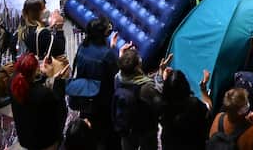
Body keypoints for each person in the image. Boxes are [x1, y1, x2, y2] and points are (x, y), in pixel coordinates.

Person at [72, 18, 121, 147]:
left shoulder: (82, 47)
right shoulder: (108, 55)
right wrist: (117, 54)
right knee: (106, 137)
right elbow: (117, 76)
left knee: (89, 134)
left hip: (84, 100)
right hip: (102, 103)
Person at [10, 52, 69, 150]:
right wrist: (58, 81)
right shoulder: (43, 94)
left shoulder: (12, 83)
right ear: (35, 72)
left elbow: (31, 85)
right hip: (45, 142)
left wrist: (44, 76)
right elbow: (61, 111)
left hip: (25, 137)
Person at [113, 47, 162, 150]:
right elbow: (159, 104)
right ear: (137, 68)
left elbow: (121, 71)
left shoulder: (118, 79)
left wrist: (122, 56)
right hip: (145, 129)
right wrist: (160, 77)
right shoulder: (146, 87)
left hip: (127, 125)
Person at [158, 65, 209, 150]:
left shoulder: (162, 107)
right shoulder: (195, 105)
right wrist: (203, 89)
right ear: (186, 85)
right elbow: (208, 106)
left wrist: (166, 81)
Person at [207, 86, 253, 150]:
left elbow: (232, 126)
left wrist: (247, 119)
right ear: (241, 111)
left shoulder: (219, 117)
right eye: (246, 103)